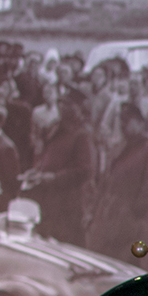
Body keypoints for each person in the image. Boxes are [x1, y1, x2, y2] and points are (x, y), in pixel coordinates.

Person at [87, 103, 148, 259]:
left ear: (140, 123)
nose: (123, 125)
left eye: (128, 121)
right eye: (121, 121)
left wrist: (136, 211)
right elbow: (106, 181)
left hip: (134, 223)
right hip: (110, 219)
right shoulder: (120, 148)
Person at [22, 90, 96, 248]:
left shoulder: (81, 134)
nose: (62, 108)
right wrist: (37, 171)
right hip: (48, 201)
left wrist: (53, 178)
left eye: (68, 104)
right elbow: (47, 155)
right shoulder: (55, 129)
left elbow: (85, 170)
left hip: (67, 205)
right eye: (61, 103)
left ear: (77, 109)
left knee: (66, 246)